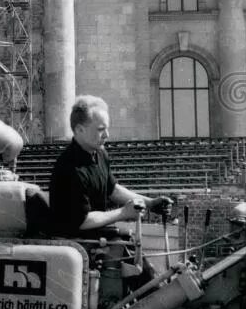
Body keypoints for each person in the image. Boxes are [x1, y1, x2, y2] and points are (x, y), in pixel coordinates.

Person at [50, 95, 172, 237]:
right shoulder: (69, 168)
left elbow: (112, 190)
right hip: (75, 243)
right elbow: (81, 221)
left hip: (96, 235)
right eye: (101, 129)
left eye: (107, 129)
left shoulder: (100, 154)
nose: (107, 135)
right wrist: (123, 212)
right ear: (79, 130)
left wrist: (150, 203)